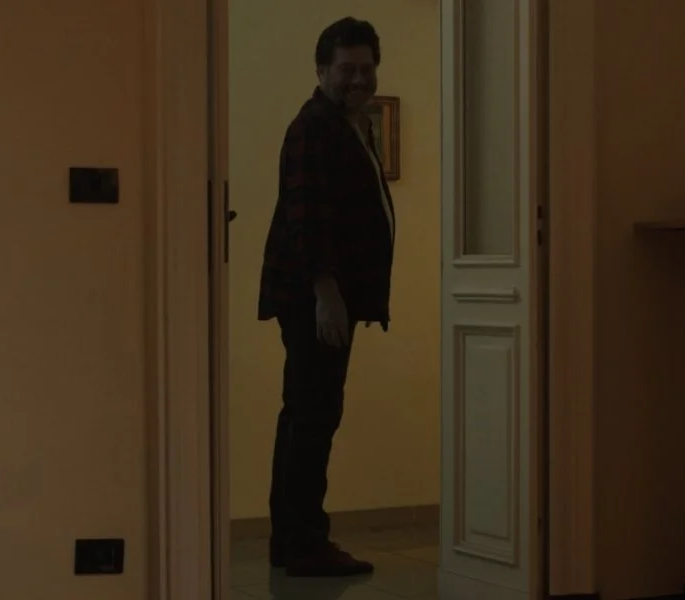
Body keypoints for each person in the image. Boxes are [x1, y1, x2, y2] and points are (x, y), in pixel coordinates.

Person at [257, 16, 396, 578]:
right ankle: (304, 543)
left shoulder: (347, 125)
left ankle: (293, 541)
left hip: (326, 297)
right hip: (314, 299)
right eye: (346, 69)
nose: (358, 78)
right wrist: (326, 294)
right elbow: (306, 216)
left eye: (366, 68)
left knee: (308, 415)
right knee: (312, 417)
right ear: (321, 70)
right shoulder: (315, 127)